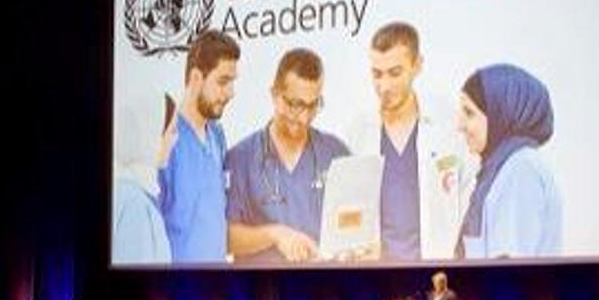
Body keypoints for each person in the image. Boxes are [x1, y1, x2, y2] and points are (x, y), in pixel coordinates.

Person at [347, 22, 474, 261]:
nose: (384, 86)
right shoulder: (360, 131)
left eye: (395, 73)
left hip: (436, 270)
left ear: (417, 66)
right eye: (377, 74)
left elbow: (471, 194)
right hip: (378, 273)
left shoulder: (448, 124)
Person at [225, 49, 349, 263]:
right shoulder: (240, 159)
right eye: (295, 105)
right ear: (275, 95)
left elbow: (357, 225)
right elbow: (226, 237)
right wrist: (275, 235)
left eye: (312, 105)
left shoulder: (336, 153)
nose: (304, 117)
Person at [456, 64, 562, 258]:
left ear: (500, 113)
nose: (459, 125)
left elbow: (510, 267)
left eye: (469, 113)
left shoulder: (520, 169)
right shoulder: (502, 168)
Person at [159, 30, 240, 263]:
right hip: (178, 282)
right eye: (223, 82)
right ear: (196, 78)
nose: (231, 93)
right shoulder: (166, 139)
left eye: (232, 82)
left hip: (218, 280)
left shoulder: (217, 135)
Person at [112, 76, 172, 264]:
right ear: (152, 136)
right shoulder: (136, 206)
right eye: (172, 131)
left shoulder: (124, 192)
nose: (175, 139)